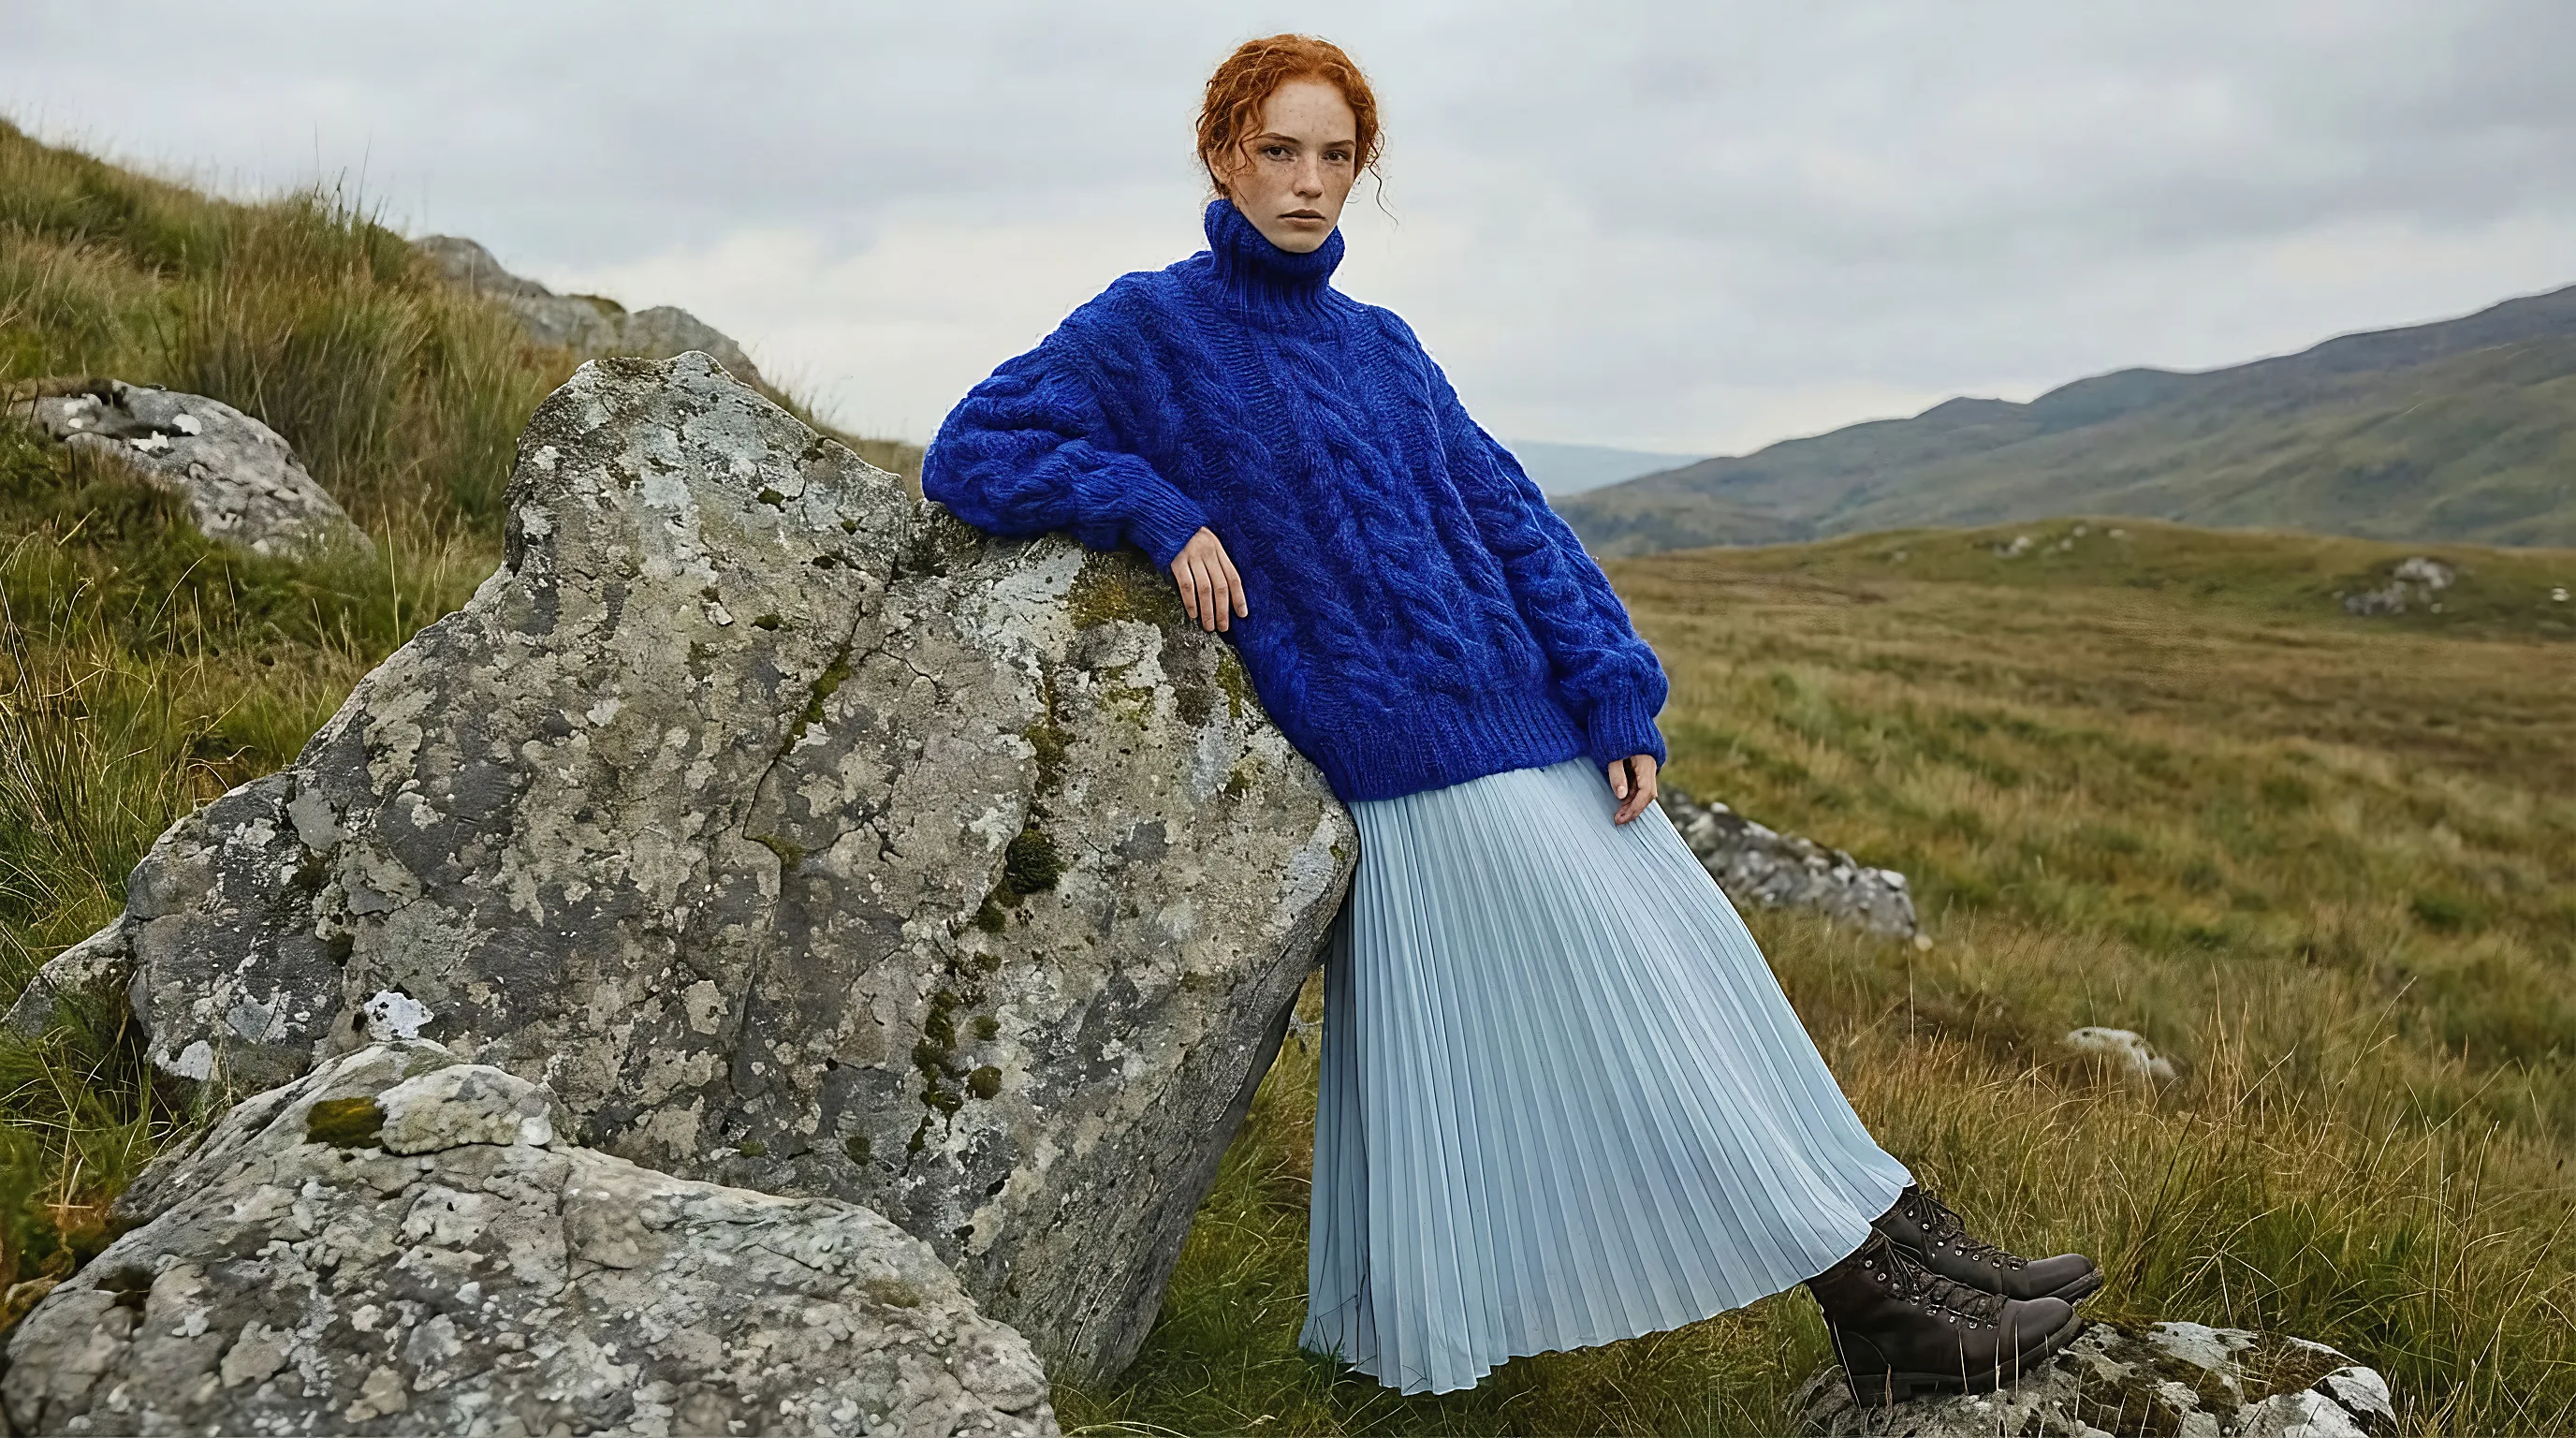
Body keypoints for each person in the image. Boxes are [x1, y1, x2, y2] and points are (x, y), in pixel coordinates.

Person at [921, 33, 2100, 1404]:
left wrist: (1610, 686)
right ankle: (1880, 1311)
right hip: (1404, 761)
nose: (1308, 182)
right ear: (1223, 155)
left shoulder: (1382, 345)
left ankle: (1928, 1260)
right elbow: (975, 446)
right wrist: (1159, 507)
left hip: (1527, 725)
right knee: (1651, 1035)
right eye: (1279, 151)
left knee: (1721, 991)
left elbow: (1508, 517)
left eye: (1337, 155)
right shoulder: (1146, 329)